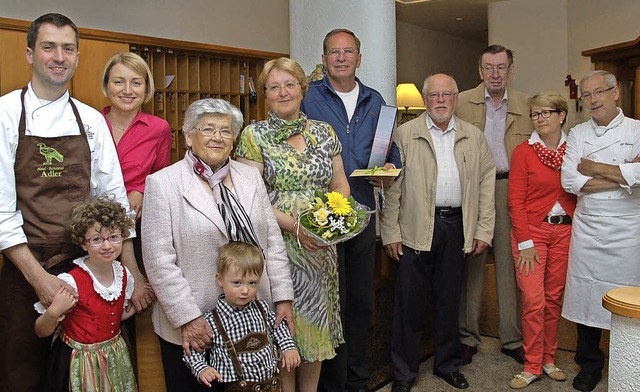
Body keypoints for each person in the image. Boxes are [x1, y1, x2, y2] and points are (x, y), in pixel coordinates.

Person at [0, 13, 152, 392]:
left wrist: (129, 273)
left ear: (77, 57)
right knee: (22, 369)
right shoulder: (4, 114)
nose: (59, 56)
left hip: (89, 261)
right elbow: (1, 209)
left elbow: (113, 199)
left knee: (95, 369)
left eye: (68, 48)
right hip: (25, 264)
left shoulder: (89, 120)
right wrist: (40, 281)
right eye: (49, 47)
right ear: (29, 53)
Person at [142, 98, 294, 392]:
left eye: (225, 131)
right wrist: (188, 318)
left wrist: (283, 298)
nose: (217, 137)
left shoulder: (249, 177)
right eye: (207, 129)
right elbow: (159, 261)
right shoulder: (163, 183)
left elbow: (272, 242)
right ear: (188, 136)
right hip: (195, 325)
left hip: (252, 319)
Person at [235, 57, 350, 392]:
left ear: (302, 88)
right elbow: (250, 197)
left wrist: (331, 220)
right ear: (265, 95)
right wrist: (296, 225)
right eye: (274, 87)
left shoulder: (324, 133)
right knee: (285, 331)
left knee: (314, 328)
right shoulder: (253, 135)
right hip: (277, 248)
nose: (282, 92)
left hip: (319, 249)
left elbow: (340, 184)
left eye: (289, 85)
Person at [300, 28, 401, 392]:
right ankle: (331, 382)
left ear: (360, 57)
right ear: (324, 58)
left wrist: (389, 167)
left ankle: (357, 380)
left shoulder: (376, 102)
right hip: (319, 216)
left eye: (348, 51)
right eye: (334, 52)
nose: (341, 58)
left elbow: (389, 151)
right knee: (328, 303)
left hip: (361, 213)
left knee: (358, 302)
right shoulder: (307, 98)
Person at [381, 74, 495, 391]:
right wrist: (390, 231)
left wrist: (483, 229)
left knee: (449, 302)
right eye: (434, 95)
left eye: (447, 94)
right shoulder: (405, 135)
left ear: (456, 98)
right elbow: (393, 190)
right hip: (415, 226)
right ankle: (403, 373)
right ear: (425, 98)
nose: (441, 100)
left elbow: (486, 186)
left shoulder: (474, 136)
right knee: (409, 306)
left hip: (456, 226)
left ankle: (447, 364)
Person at [561, 70, 640, 392]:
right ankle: (589, 364)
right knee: (587, 298)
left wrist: (594, 168)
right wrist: (626, 176)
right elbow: (569, 181)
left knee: (630, 299)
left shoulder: (636, 129)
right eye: (587, 95)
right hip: (590, 227)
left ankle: (630, 360)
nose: (593, 100)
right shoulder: (578, 134)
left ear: (615, 92)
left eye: (599, 92)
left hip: (628, 228)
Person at [455, 44, 532, 365]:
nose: (495, 74)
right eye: (489, 67)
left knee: (509, 264)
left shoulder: (529, 105)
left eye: (501, 67)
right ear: (480, 71)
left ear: (511, 70)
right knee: (471, 263)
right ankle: (467, 337)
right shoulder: (459, 103)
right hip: (472, 189)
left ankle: (512, 338)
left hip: (511, 189)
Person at [100, 51, 172, 368]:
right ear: (106, 86)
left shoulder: (159, 128)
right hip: (95, 229)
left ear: (147, 89)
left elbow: (160, 176)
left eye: (136, 82)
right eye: (119, 81)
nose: (127, 90)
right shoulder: (90, 124)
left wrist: (141, 190)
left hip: (139, 227)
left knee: (135, 307)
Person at [507, 92, 577, 389]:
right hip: (531, 234)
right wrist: (525, 241)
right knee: (534, 300)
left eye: (546, 112)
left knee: (553, 299)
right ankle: (531, 363)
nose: (540, 118)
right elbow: (515, 200)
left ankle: (549, 359)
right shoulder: (524, 151)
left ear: (562, 115)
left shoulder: (575, 149)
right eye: (535, 114)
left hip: (566, 232)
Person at [34, 196, 137, 391]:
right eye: (97, 240)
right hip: (77, 363)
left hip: (114, 358)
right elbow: (41, 331)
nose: (107, 246)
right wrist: (54, 312)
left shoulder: (124, 274)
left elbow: (113, 313)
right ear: (83, 243)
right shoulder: (71, 281)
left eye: (113, 237)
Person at [183, 242, 301, 389]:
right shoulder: (212, 320)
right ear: (220, 280)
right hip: (234, 386)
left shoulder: (262, 308)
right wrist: (202, 368)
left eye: (252, 283)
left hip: (270, 384)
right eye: (237, 283)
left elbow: (279, 328)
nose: (245, 290)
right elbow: (192, 351)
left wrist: (288, 347)